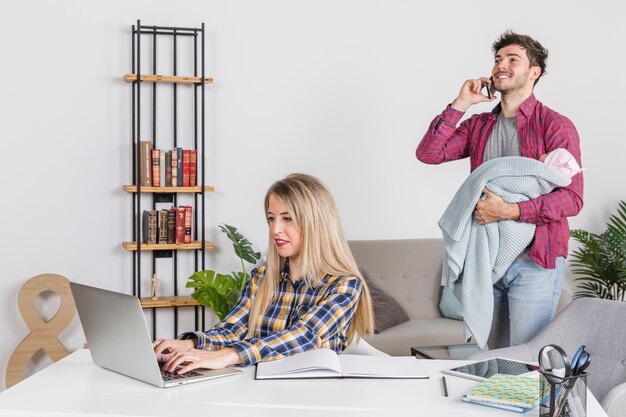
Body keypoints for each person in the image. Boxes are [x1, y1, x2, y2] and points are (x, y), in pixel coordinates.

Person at [416, 31, 583, 349]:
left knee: (525, 360)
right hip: (486, 259)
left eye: (512, 59)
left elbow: (573, 197)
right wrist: (461, 103)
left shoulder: (554, 125)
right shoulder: (479, 126)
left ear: (534, 73)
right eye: (497, 60)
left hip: (534, 260)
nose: (500, 65)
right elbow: (429, 153)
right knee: (487, 359)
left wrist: (511, 210)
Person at [154, 173, 374, 374]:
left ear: (315, 223)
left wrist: (229, 355)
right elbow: (233, 329)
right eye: (271, 218)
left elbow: (304, 335)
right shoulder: (261, 277)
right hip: (256, 387)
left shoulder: (344, 286)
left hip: (313, 392)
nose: (275, 229)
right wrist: (188, 344)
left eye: (287, 218)